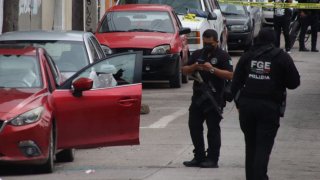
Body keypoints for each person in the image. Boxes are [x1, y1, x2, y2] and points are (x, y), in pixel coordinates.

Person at [231, 27, 300, 180]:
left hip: (247, 107)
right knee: (263, 146)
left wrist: (239, 103)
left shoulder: (247, 56)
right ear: (273, 40)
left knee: (251, 146)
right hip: (269, 107)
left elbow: (235, 84)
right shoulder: (281, 57)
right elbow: (294, 82)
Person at [182, 29, 233, 168]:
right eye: (204, 43)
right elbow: (184, 70)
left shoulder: (223, 56)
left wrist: (212, 69)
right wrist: (194, 66)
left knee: (213, 129)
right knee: (194, 126)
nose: (207, 46)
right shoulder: (199, 54)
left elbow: (230, 75)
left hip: (214, 98)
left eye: (210, 43)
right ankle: (198, 156)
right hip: (198, 97)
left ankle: (212, 158)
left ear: (216, 41)